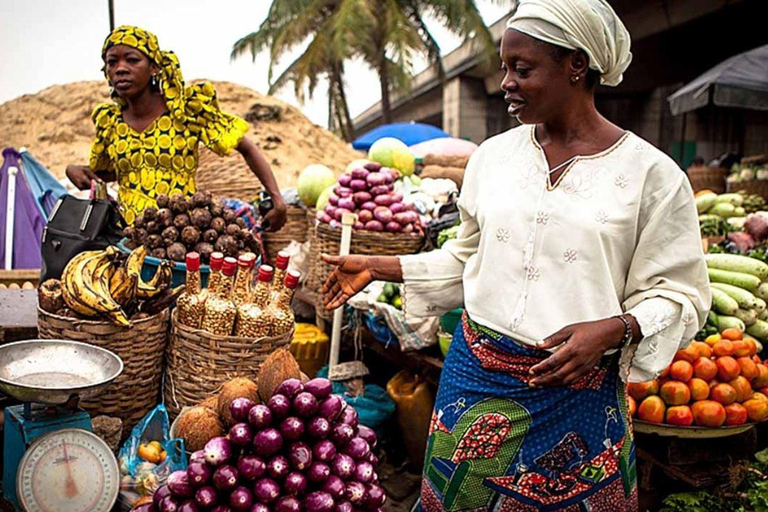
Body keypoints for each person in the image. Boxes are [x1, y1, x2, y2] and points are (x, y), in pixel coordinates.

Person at [321, 0, 710, 510]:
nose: (506, 81)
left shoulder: (652, 177)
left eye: (521, 69)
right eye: (504, 68)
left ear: (576, 65)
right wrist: (378, 267)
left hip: (575, 393)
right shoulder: (493, 158)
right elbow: (468, 260)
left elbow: (679, 293)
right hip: (473, 382)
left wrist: (615, 329)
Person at [66, 26, 286, 231]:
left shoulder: (185, 110)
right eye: (112, 62)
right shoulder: (110, 122)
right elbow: (120, 171)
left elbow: (246, 148)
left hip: (181, 235)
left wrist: (277, 198)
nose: (121, 69)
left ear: (154, 67)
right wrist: (77, 170)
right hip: (130, 236)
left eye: (132, 60)